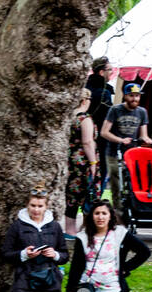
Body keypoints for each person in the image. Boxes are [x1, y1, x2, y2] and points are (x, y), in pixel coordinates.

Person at [100, 81, 152, 217]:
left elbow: (143, 134)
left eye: (137, 96)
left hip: (132, 154)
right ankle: (118, 213)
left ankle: (133, 209)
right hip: (114, 152)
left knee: (133, 183)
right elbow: (104, 132)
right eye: (131, 95)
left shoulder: (142, 112)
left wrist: (146, 140)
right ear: (125, 96)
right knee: (116, 184)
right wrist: (120, 140)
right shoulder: (115, 110)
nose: (135, 99)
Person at [64, 88, 99, 236]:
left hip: (70, 160)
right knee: (88, 194)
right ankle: (86, 229)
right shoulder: (85, 119)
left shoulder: (69, 117)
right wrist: (93, 163)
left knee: (71, 196)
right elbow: (87, 142)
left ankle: (69, 230)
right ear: (85, 101)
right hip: (83, 163)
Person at [85, 57, 116, 193]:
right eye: (110, 70)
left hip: (83, 134)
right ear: (101, 72)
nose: (112, 73)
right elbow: (107, 119)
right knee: (100, 171)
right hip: (100, 138)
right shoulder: (104, 93)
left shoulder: (85, 88)